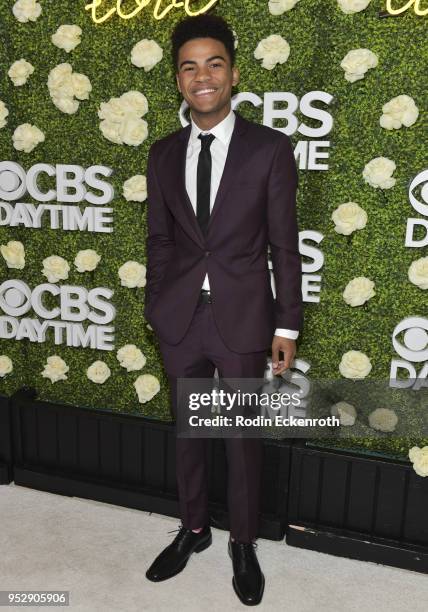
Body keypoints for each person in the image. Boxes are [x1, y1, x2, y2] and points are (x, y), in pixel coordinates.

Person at [143, 13, 303, 606]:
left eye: (214, 64)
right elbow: (159, 239)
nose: (202, 76)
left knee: (239, 437)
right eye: (189, 66)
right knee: (189, 430)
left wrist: (287, 322)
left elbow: (284, 244)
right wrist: (159, 301)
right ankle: (193, 530)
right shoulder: (162, 154)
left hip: (242, 318)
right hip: (180, 318)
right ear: (178, 79)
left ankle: (242, 542)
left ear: (233, 75)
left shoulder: (269, 149)